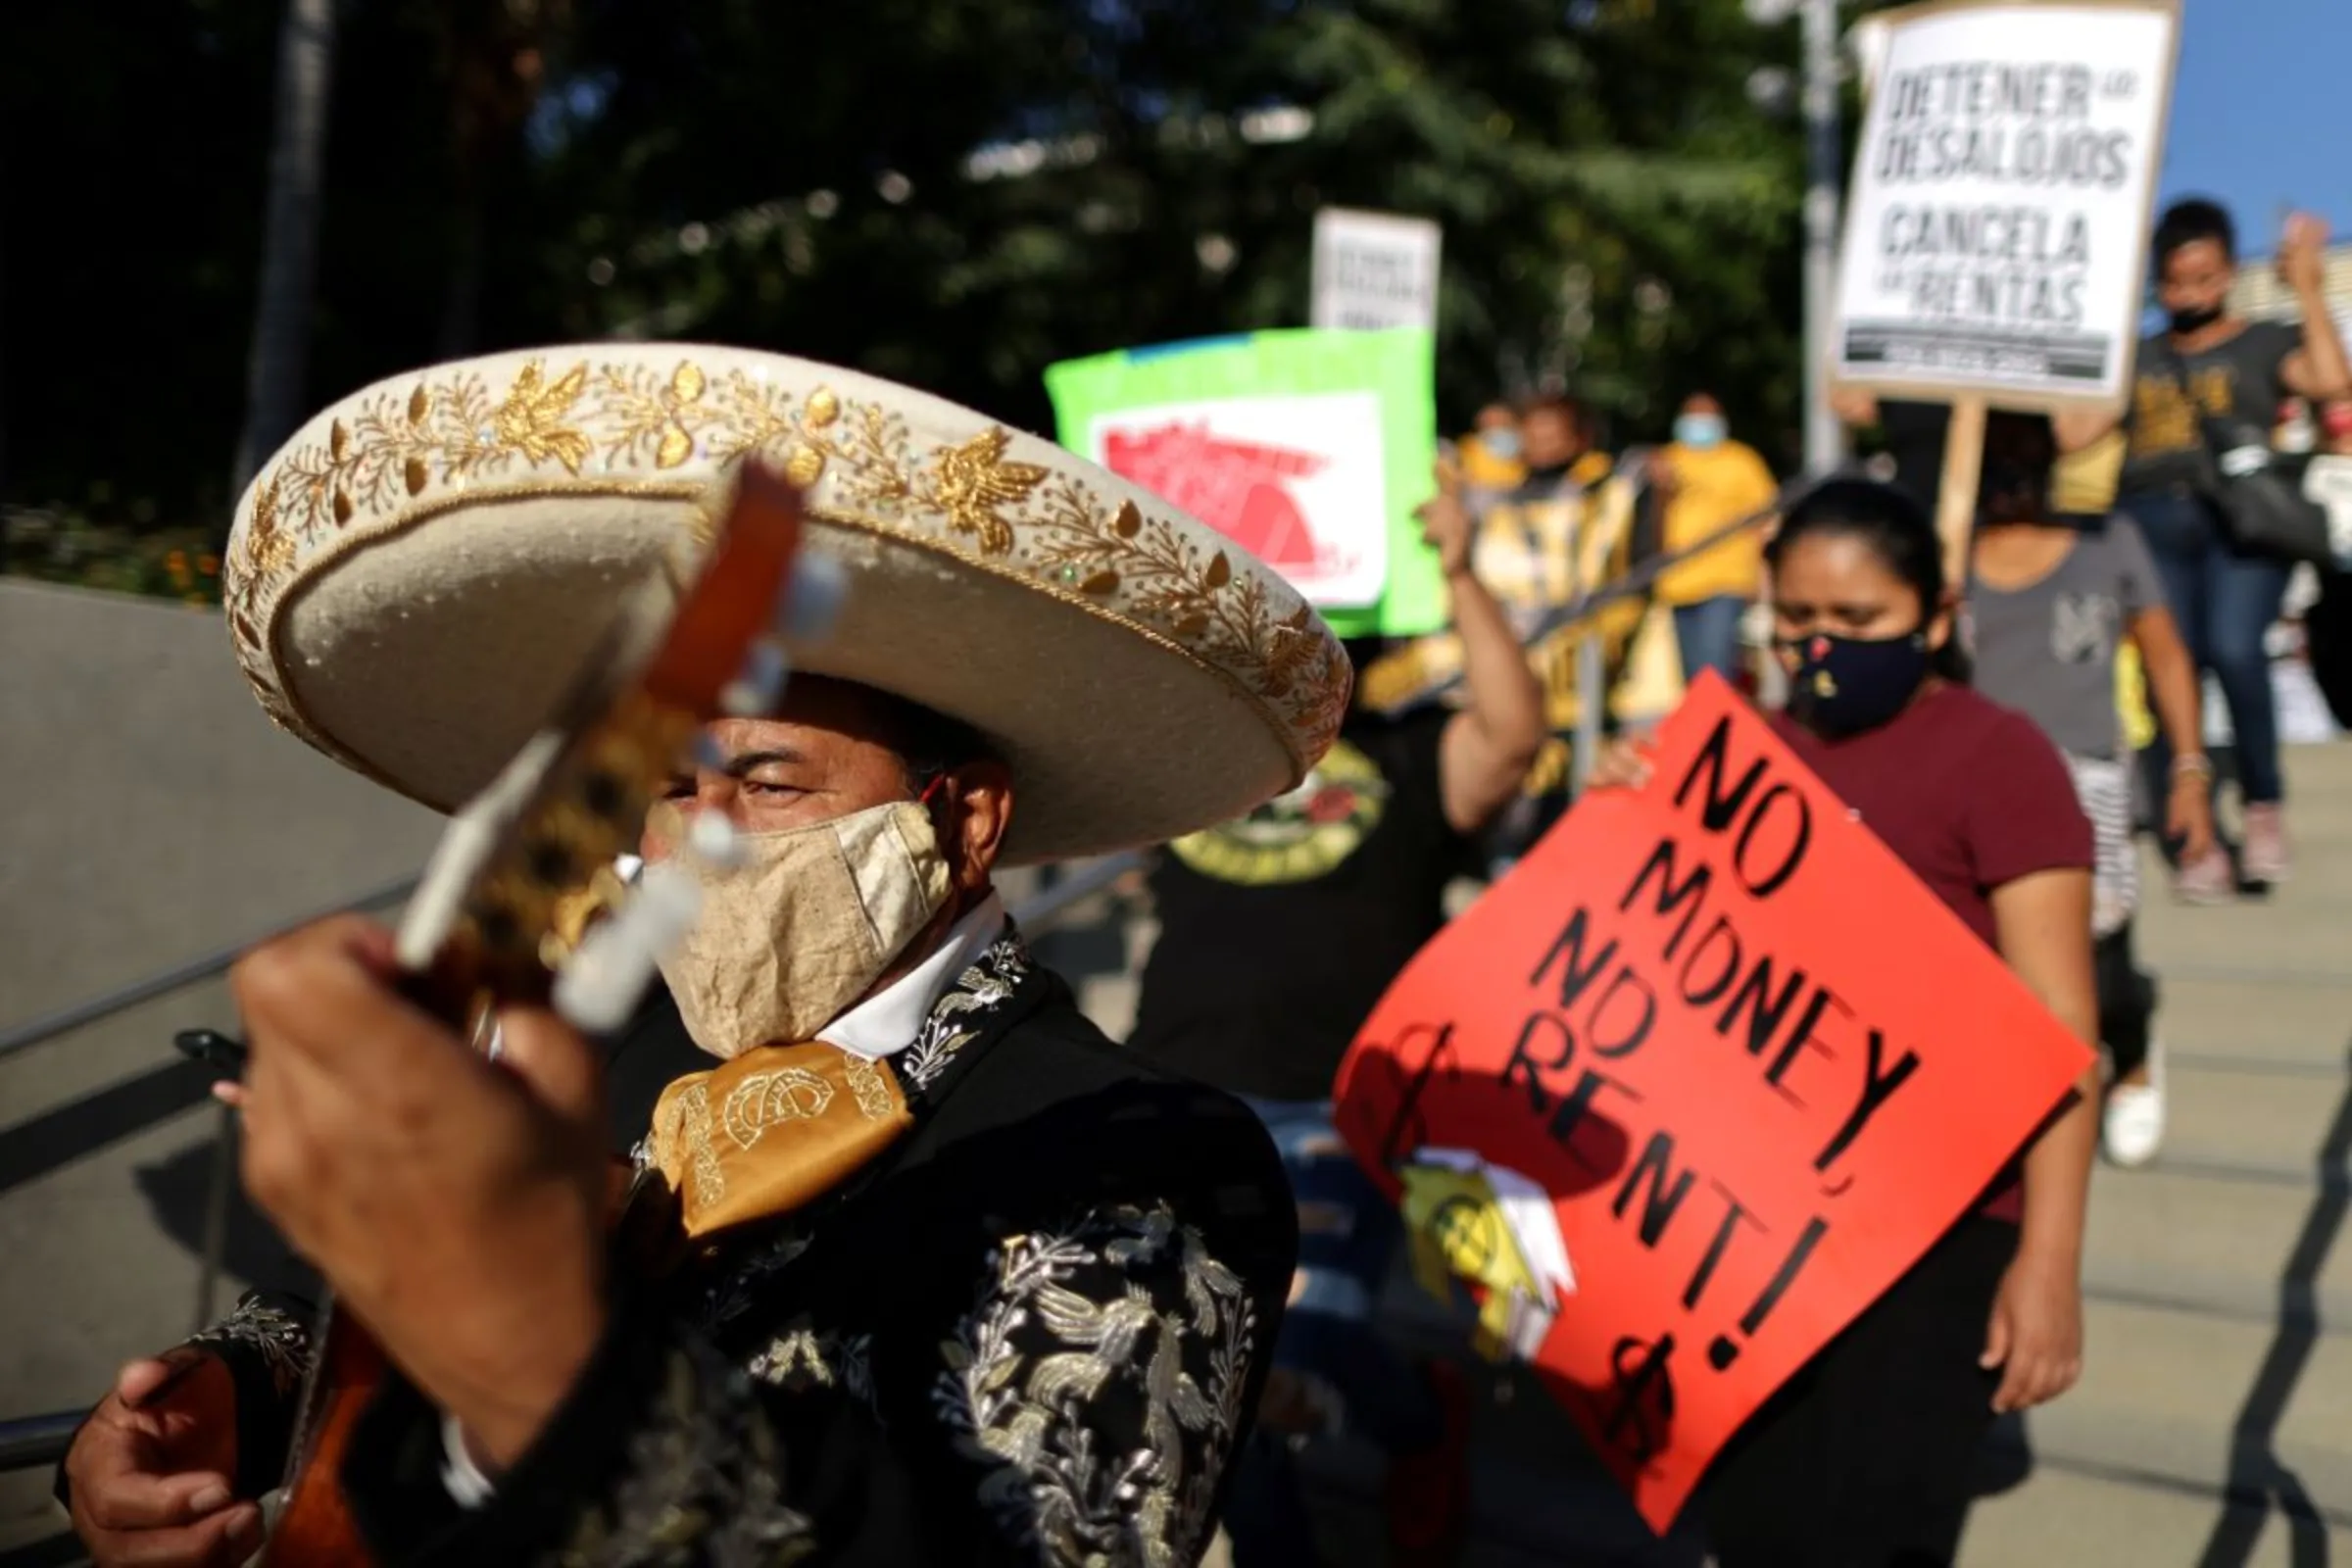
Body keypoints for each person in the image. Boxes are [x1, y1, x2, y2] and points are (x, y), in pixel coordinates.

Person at [57, 344, 1359, 1568]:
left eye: (772, 782)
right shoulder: (599, 1043)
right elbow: (368, 1290)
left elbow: (1037, 1538)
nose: (701, 840)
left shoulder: (1135, 1154)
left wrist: (546, 1362)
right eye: (671, 787)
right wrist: (221, 1397)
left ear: (961, 820)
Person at [1590, 478, 2098, 1566]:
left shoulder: (2000, 757)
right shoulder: (1730, 758)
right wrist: (1618, 815)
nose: (1822, 645)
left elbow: (2063, 1032)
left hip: (1941, 1232)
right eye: (1799, 619)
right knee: (1762, 1531)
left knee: (1877, 1536)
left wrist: (2047, 1261)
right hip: (1746, 1234)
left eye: (1858, 621)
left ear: (1938, 612)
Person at [1127, 471, 1547, 1567]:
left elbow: (1513, 732)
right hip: (1175, 1097)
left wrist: (1456, 563)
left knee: (1279, 1353)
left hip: (1329, 1105)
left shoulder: (1411, 752)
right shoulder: (1200, 749)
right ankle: (1399, 1430)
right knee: (1214, 1368)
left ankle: (1412, 1424)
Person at [2057, 199, 2352, 895]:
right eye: (2176, 282)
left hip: (2243, 524)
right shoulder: (2140, 355)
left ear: (2227, 271)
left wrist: (2307, 286)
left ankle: (2261, 801)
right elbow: (2073, 434)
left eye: (2207, 278)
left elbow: (2334, 384)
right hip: (2149, 519)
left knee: (2236, 647)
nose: (2192, 295)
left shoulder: (2264, 339)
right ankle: (2191, 832)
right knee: (2171, 666)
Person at [1968, 412, 2215, 1167]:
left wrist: (2190, 770)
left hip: (2087, 779)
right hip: (1979, 785)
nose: (2012, 469)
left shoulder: (2109, 542)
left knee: (2100, 959)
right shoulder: (1944, 553)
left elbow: (2167, 655)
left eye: (2026, 450)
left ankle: (2132, 1053)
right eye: (1997, 452)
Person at [1648, 391, 1779, 688]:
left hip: (1726, 581)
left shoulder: (1742, 461)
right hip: (1677, 584)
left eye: (1706, 416)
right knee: (1691, 678)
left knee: (1715, 670)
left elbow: (1764, 520)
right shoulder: (1668, 461)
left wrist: (1764, 576)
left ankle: (1718, 732)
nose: (1699, 424)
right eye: (1693, 416)